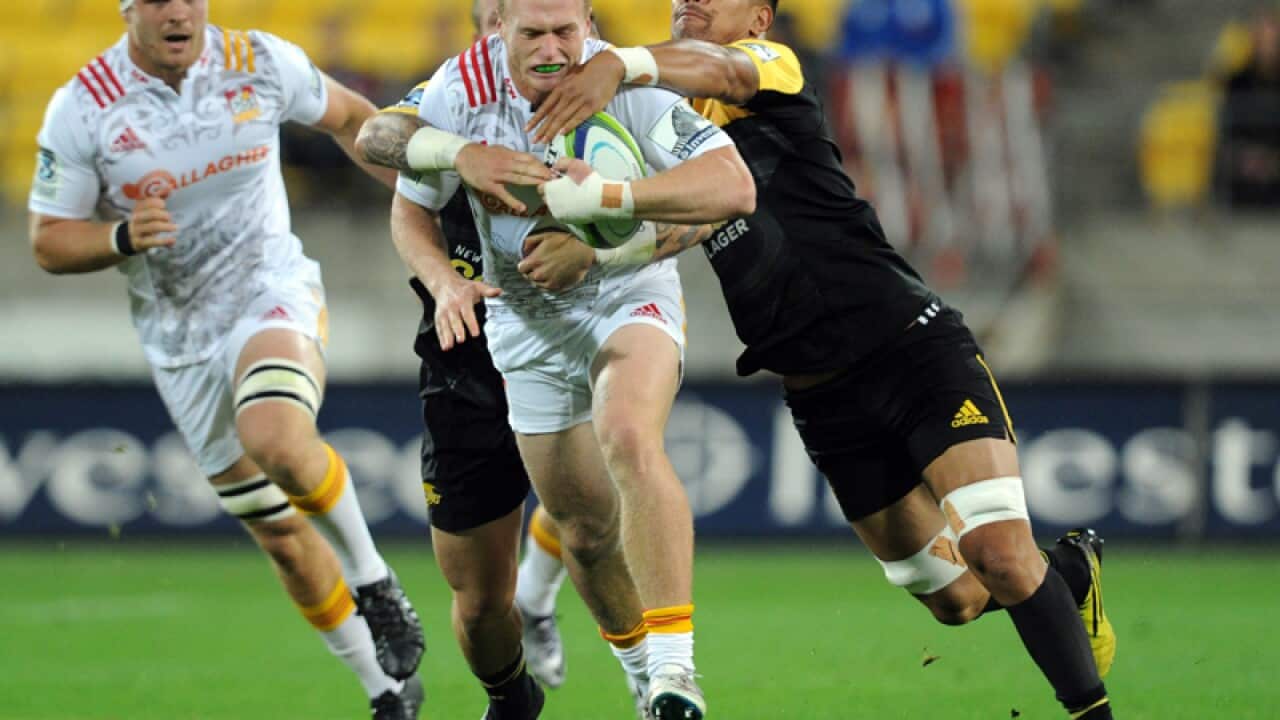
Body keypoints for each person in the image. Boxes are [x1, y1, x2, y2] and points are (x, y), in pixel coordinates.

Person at [518, 0, 1118, 717]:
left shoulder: (773, 69)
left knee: (998, 552)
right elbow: (694, 224)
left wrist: (616, 61)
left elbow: (723, 71)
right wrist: (600, 249)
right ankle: (1070, 578)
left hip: (910, 350)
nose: (690, 1)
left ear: (762, 20)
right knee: (956, 600)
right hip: (822, 397)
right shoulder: (680, 136)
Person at [355, 0, 755, 715]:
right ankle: (639, 679)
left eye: (564, 31)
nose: (550, 48)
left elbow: (734, 189)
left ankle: (673, 671)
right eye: (530, 32)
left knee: (630, 435)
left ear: (589, 24)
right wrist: (456, 156)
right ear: (498, 29)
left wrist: (602, 218)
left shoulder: (625, 84)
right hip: (521, 324)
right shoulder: (460, 89)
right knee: (585, 534)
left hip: (626, 296)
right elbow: (375, 140)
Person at [27, 2, 425, 718]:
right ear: (127, 10)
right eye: (158, 0)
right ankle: (387, 691)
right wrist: (119, 238)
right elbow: (49, 239)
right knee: (281, 537)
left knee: (275, 437)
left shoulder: (260, 61)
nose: (178, 11)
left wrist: (424, 200)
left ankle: (375, 581)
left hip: (269, 290)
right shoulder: (83, 106)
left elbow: (349, 119)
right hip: (179, 335)